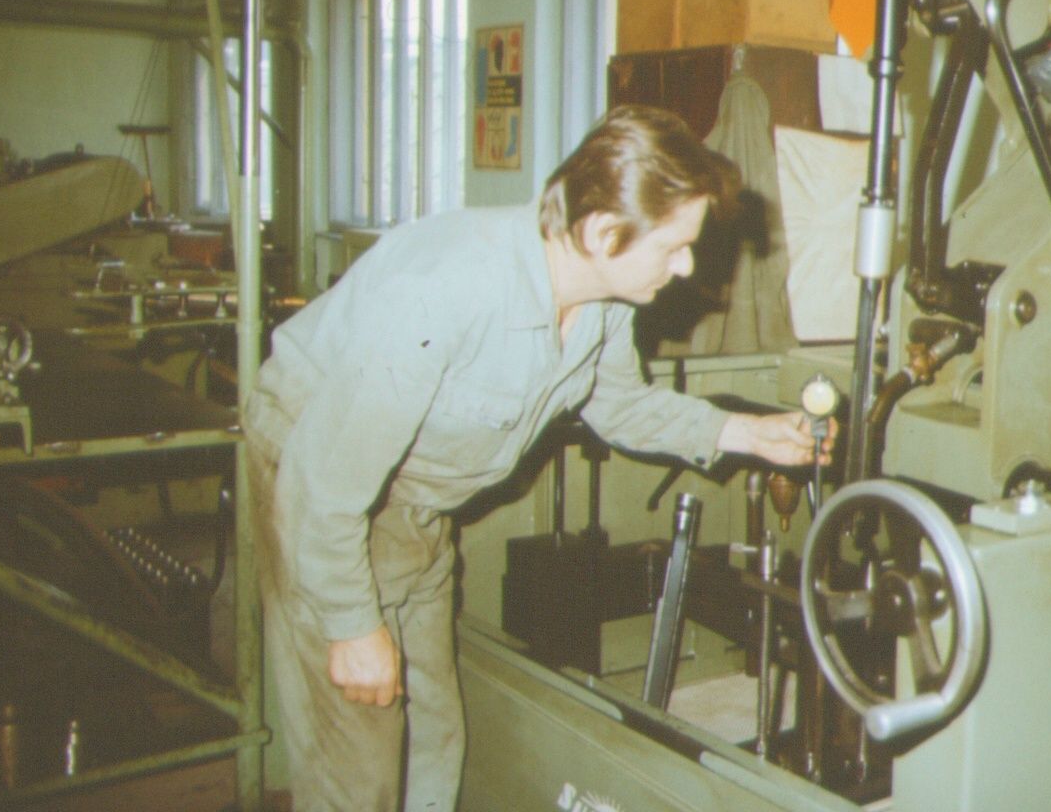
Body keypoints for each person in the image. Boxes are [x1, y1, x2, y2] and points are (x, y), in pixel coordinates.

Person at [245, 105, 830, 811]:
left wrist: (748, 433)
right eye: (674, 247)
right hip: (320, 481)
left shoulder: (605, 300)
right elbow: (324, 483)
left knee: (433, 731)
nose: (686, 268)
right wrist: (351, 627)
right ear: (601, 231)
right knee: (360, 754)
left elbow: (619, 405)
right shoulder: (445, 288)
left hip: (415, 496)